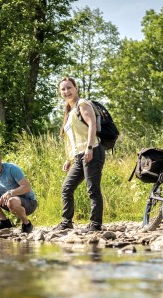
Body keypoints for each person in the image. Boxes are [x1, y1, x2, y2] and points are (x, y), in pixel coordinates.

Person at [56, 76, 105, 232]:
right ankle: (66, 222)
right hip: (78, 157)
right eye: (63, 89)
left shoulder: (82, 104)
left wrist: (90, 147)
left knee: (92, 189)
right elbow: (72, 139)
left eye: (69, 87)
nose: (66, 91)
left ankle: (95, 224)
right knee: (67, 188)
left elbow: (92, 125)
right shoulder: (69, 112)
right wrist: (68, 158)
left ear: (76, 88)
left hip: (92, 151)